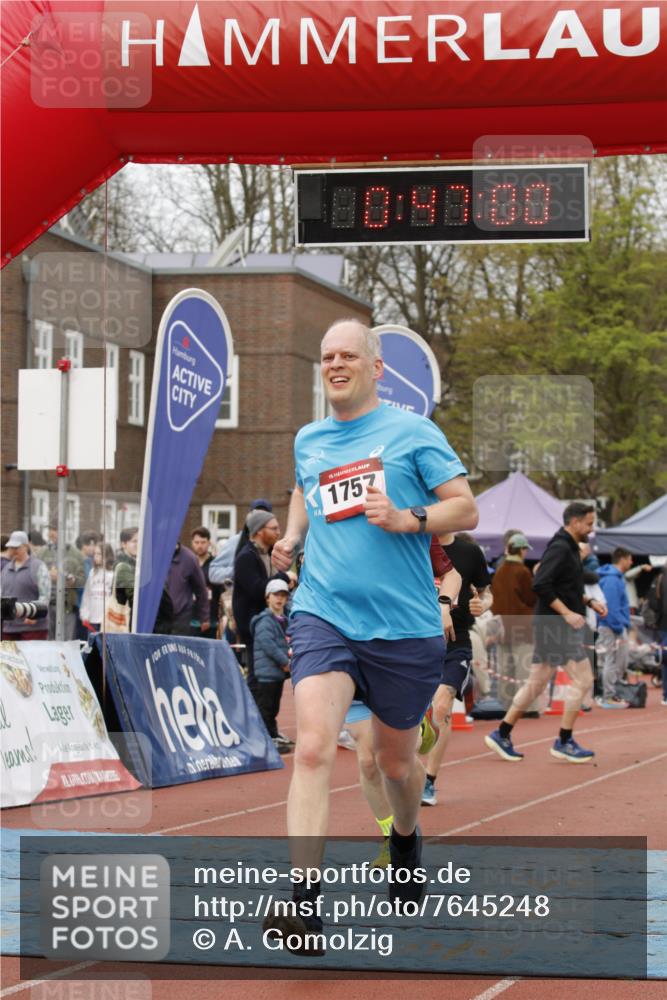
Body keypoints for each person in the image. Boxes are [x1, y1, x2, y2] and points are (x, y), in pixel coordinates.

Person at [268, 318, 476, 948]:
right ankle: (303, 900)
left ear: (376, 367)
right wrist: (294, 535)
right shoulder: (309, 437)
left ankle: (406, 837)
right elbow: (305, 487)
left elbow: (464, 507)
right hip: (325, 614)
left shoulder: (413, 432)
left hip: (405, 626)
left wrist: (410, 517)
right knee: (311, 748)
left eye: (348, 356)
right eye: (327, 356)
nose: (335, 364)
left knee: (395, 761)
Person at [485, 502, 607, 764]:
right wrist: (567, 613)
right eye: (589, 523)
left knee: (536, 683)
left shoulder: (569, 548)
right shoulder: (561, 547)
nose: (591, 528)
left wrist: (587, 602)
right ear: (574, 522)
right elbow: (541, 583)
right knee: (584, 680)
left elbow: (564, 586)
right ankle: (564, 740)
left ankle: (502, 733)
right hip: (556, 626)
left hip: (552, 624)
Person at [422, 531, 492, 806]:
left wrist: (481, 605)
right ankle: (408, 772)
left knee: (442, 706)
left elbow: (487, 596)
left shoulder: (470, 553)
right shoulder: (416, 545)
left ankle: (428, 781)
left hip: (456, 642)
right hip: (417, 640)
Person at [232, 508, 282, 694]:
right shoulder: (246, 557)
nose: (278, 532)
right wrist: (284, 579)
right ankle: (256, 717)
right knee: (257, 676)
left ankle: (263, 717)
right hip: (252, 625)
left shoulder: (267, 554)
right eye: (274, 528)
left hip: (265, 623)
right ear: (260, 530)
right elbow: (257, 589)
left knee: (266, 675)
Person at [490, 532, 538, 711]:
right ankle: (527, 707)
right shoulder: (522, 571)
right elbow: (531, 598)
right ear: (521, 550)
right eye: (525, 549)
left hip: (502, 626)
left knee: (506, 669)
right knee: (523, 669)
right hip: (522, 626)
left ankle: (506, 705)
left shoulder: (500, 571)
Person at [251, 578, 294, 753]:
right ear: (267, 597)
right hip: (267, 672)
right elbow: (268, 644)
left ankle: (273, 733)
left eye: (283, 595)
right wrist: (285, 662)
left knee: (273, 705)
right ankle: (266, 739)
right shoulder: (265, 621)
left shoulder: (284, 619)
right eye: (276, 595)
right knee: (267, 706)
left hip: (276, 673)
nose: (280, 599)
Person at [596, 547, 633, 709]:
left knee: (618, 661)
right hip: (611, 627)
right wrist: (619, 627)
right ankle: (609, 696)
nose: (632, 562)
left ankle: (612, 694)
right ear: (622, 559)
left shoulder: (616, 578)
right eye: (630, 559)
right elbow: (610, 606)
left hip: (613, 625)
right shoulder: (612, 580)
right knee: (612, 661)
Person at [208, 499, 274, 586]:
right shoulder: (235, 542)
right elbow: (213, 572)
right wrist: (238, 571)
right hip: (240, 597)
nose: (259, 521)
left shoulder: (274, 544)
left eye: (264, 517)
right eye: (256, 515)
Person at [38, 521, 85, 639]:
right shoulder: (41, 553)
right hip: (47, 608)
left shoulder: (76, 554)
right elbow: (34, 577)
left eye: (55, 530)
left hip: (67, 607)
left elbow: (82, 581)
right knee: (48, 644)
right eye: (50, 530)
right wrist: (47, 577)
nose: (51, 533)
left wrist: (71, 581)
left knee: (67, 644)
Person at [1, 530, 51, 640]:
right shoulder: (6, 569)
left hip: (33, 629)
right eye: (11, 547)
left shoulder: (38, 567)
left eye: (16, 547)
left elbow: (45, 595)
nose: (13, 551)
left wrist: (35, 615)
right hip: (9, 628)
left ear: (25, 546)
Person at [158, 543, 210, 636]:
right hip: (158, 615)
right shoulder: (154, 554)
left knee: (178, 647)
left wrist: (204, 617)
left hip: (181, 614)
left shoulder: (189, 558)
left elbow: (200, 589)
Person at [191, 526, 224, 633]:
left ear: (209, 543)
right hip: (190, 620)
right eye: (197, 542)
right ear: (192, 543)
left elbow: (222, 591)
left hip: (212, 620)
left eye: (203, 542)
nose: (200, 546)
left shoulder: (216, 564)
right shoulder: (188, 564)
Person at [79, 543, 114, 634]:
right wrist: (84, 615)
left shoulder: (113, 574)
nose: (95, 557)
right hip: (92, 620)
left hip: (107, 621)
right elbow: (87, 596)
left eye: (99, 554)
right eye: (94, 554)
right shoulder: (92, 572)